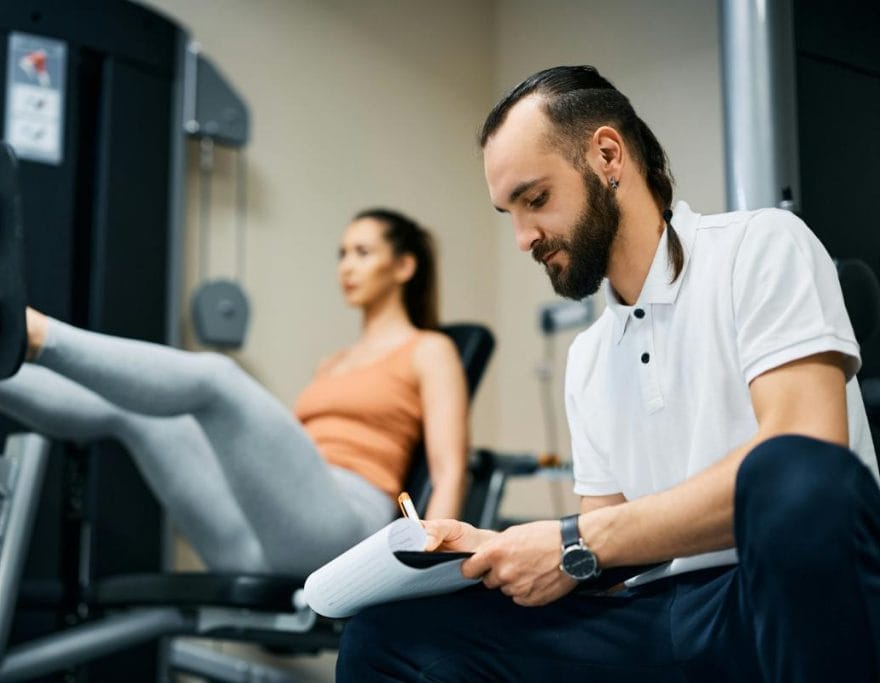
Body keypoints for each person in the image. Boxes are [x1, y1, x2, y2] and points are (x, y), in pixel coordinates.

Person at [336, 66, 880, 682]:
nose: (522, 237)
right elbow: (607, 555)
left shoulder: (760, 247)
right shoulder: (589, 357)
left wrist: (574, 538)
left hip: (773, 596)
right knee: (389, 639)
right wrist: (498, 549)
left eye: (535, 199)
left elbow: (804, 454)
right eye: (508, 211)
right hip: (660, 619)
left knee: (791, 469)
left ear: (607, 155)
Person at [0, 208, 468, 576]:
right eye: (341, 254)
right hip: (261, 540)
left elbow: (450, 470)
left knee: (218, 380)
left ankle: (38, 334)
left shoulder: (429, 349)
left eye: (363, 253)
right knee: (140, 415)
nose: (346, 267)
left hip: (345, 529)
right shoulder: (332, 364)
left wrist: (419, 568)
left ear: (404, 267)